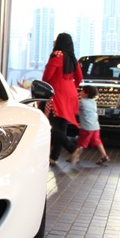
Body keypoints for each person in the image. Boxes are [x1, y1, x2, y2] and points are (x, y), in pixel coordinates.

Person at [41, 32, 83, 165]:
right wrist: (71, 87)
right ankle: (54, 157)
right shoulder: (72, 58)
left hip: (56, 93)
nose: (54, 41)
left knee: (51, 125)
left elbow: (46, 77)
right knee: (62, 125)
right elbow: (80, 78)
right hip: (70, 94)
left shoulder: (57, 55)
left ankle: (72, 148)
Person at [77, 85, 110, 165]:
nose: (80, 92)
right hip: (95, 125)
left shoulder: (81, 102)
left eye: (82, 91)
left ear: (86, 94)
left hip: (87, 126)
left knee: (82, 142)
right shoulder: (93, 102)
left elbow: (75, 110)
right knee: (97, 141)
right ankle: (104, 155)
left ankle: (75, 156)